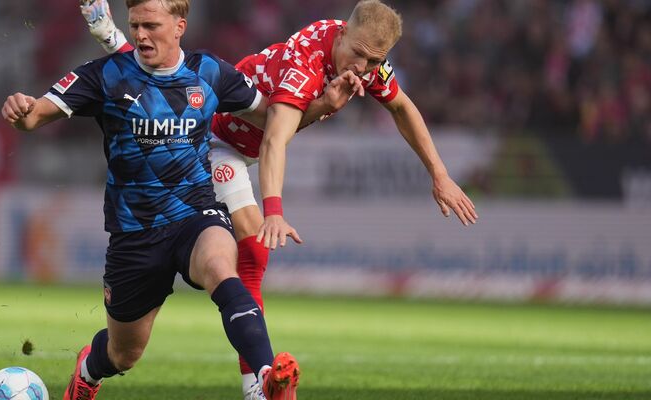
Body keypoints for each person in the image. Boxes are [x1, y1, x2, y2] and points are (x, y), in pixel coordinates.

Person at [81, 0, 478, 398]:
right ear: (342, 34)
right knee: (254, 246)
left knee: (129, 349)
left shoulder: (363, 55)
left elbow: (401, 106)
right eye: (357, 54)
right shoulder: (304, 63)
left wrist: (440, 175)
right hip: (217, 140)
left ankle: (114, 39)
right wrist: (273, 210)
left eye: (374, 62)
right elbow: (274, 137)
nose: (362, 67)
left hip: (246, 143)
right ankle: (258, 385)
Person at [2, 1, 304, 399]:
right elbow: (35, 115)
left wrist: (324, 104)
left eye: (151, 26)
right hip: (135, 234)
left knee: (221, 267)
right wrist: (20, 108)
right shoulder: (106, 75)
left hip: (196, 213)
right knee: (123, 353)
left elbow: (275, 118)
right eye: (135, 26)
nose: (141, 35)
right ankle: (89, 371)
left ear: (179, 26)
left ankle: (268, 378)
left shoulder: (210, 72)